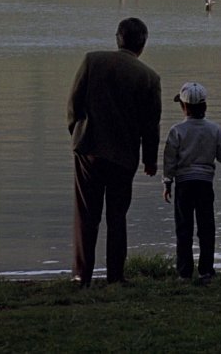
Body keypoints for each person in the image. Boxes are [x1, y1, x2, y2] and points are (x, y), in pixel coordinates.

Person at [67, 17, 161, 287]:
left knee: (86, 215)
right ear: (143, 44)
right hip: (124, 155)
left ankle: (81, 276)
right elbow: (151, 124)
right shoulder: (149, 77)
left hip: (89, 150)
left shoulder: (92, 61)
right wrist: (150, 160)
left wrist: (77, 133)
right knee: (117, 216)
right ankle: (115, 277)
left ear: (118, 38)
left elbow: (74, 104)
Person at [162, 82, 221, 284]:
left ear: (184, 107)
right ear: (205, 106)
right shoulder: (215, 129)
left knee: (183, 228)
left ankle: (184, 272)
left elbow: (169, 160)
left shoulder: (177, 130)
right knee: (206, 227)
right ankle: (206, 270)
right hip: (204, 184)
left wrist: (167, 182)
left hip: (184, 185)